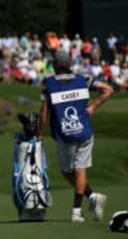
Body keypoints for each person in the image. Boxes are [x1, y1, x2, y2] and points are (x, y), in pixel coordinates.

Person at [38, 49, 113, 223]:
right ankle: (86, 203)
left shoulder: (48, 84)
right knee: (80, 169)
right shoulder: (83, 79)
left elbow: (44, 113)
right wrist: (93, 107)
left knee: (67, 171)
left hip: (65, 135)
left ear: (56, 65)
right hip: (85, 132)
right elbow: (107, 90)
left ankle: (80, 208)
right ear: (69, 64)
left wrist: (40, 133)